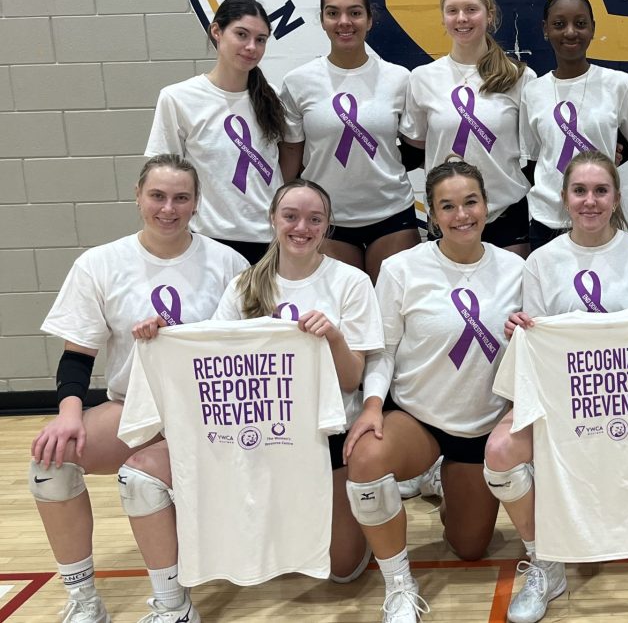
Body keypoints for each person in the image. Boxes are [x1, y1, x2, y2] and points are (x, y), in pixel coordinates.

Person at [118, 179, 383, 620]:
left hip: (325, 437)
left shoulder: (350, 282)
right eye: (291, 217)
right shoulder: (245, 285)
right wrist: (161, 336)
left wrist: (333, 337)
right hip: (261, 434)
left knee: (343, 569)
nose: (302, 227)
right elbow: (215, 355)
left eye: (314, 219)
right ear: (272, 221)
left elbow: (353, 380)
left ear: (328, 226)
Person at [30, 155, 247, 623]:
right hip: (135, 406)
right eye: (158, 196)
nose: (168, 208)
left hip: (206, 413)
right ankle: (84, 599)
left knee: (141, 480)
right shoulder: (100, 263)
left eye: (181, 198)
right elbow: (77, 356)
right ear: (138, 197)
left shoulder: (227, 262)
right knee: (50, 463)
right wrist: (69, 412)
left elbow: (244, 350)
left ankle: (173, 605)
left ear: (196, 204)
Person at [485, 151, 628, 623]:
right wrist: (521, 329)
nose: (590, 201)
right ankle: (545, 560)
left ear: (616, 197)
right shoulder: (542, 261)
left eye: (600, 191)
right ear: (563, 198)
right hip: (559, 399)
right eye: (580, 191)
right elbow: (536, 344)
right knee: (499, 452)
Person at [342, 159, 523, 623]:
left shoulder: (517, 269)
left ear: (487, 205)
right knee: (365, 458)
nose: (461, 214)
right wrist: (373, 406)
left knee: (468, 547)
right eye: (448, 206)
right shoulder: (402, 269)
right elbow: (381, 350)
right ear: (431, 214)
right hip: (419, 416)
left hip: (481, 424)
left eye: (470, 202)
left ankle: (441, 478)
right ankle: (399, 584)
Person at [279, 0, 419, 281]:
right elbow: (292, 153)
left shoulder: (398, 78)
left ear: (369, 20)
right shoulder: (298, 82)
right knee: (338, 315)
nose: (344, 22)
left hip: (391, 212)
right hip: (325, 218)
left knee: (391, 314)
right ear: (323, 20)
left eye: (354, 13)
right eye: (333, 13)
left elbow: (414, 145)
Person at [146, 0, 290, 264]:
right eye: (241, 34)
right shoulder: (178, 98)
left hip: (269, 241)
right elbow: (162, 174)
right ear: (216, 31)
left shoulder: (273, 100)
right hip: (209, 242)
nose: (251, 47)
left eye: (260, 39)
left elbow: (285, 167)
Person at [402, 0, 535, 255]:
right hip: (448, 215)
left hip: (506, 212)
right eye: (452, 11)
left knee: (510, 299)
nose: (462, 18)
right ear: (443, 18)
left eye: (471, 9)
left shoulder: (519, 77)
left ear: (490, 13)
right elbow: (414, 150)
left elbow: (540, 147)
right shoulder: (422, 78)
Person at [520, 0, 628, 250]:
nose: (570, 32)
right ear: (545, 29)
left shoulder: (619, 85)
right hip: (547, 221)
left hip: (601, 216)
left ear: (593, 28)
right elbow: (534, 162)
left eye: (580, 24)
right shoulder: (533, 91)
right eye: (559, 24)